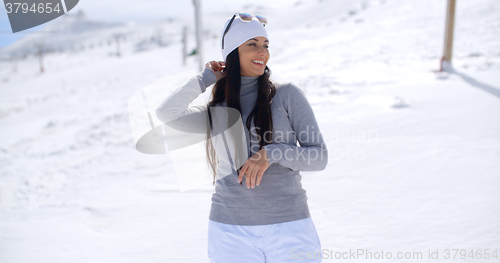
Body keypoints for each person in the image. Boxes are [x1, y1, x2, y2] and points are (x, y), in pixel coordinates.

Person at [156, 12, 328, 263]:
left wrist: (272, 152)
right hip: (230, 231)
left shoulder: (286, 95)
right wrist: (205, 79)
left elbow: (319, 157)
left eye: (265, 45)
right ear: (233, 52)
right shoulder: (219, 109)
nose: (263, 53)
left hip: (290, 226)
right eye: (252, 45)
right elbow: (166, 114)